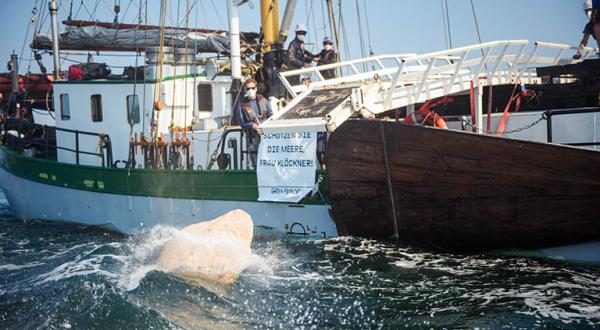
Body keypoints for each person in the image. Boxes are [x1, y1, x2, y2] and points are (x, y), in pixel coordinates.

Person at [235, 78, 273, 169]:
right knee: (255, 159)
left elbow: (271, 115)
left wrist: (265, 124)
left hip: (265, 133)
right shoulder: (241, 104)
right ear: (245, 89)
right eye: (248, 88)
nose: (251, 90)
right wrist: (251, 125)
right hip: (252, 136)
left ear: (256, 88)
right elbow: (241, 122)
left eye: (252, 88)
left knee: (268, 157)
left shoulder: (263, 99)